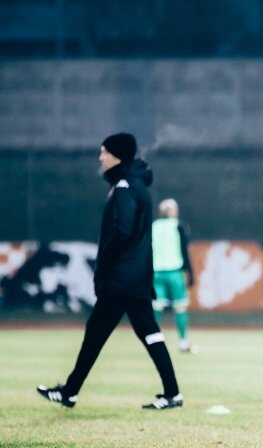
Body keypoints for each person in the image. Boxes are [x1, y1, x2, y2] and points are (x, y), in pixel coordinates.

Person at [36, 133, 182, 410]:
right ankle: (172, 394)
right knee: (147, 332)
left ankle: (69, 392)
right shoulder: (136, 184)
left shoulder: (125, 185)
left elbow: (123, 231)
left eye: (104, 151)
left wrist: (104, 264)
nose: (100, 157)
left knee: (97, 332)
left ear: (118, 155)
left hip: (122, 277)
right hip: (135, 276)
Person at [152, 198, 198, 354]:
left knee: (156, 307)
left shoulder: (153, 227)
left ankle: (153, 342)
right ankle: (183, 343)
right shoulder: (179, 226)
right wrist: (190, 273)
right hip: (174, 272)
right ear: (173, 211)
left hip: (156, 273)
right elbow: (185, 250)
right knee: (180, 307)